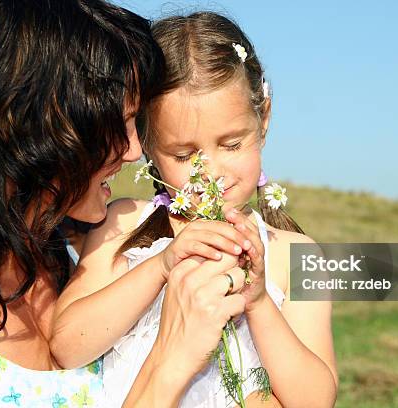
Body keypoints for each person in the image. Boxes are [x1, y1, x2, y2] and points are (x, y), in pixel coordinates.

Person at [0, 1, 254, 406]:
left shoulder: (70, 261)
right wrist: (171, 362)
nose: (136, 150)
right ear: (43, 127)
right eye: (120, 123)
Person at [51, 11, 338, 407]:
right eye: (185, 155)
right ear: (147, 144)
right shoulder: (125, 223)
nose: (211, 172)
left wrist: (257, 302)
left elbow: (315, 400)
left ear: (264, 119)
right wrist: (161, 265)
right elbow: (67, 344)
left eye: (232, 145)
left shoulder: (296, 255)